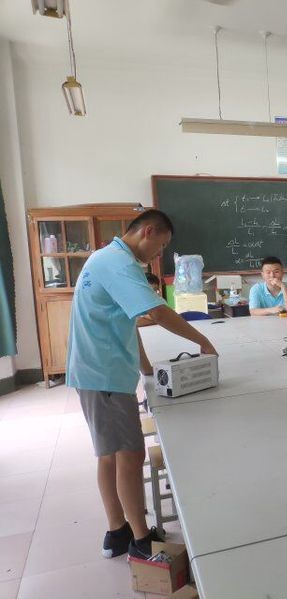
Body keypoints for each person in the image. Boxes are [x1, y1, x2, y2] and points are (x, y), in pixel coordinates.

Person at [66, 209, 219, 560]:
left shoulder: (106, 257)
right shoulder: (119, 263)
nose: (158, 254)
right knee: (129, 454)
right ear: (147, 231)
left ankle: (116, 532)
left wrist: (146, 367)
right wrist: (203, 342)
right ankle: (140, 539)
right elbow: (159, 312)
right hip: (103, 373)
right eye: (161, 245)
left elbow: (125, 319)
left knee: (109, 454)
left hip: (96, 370)